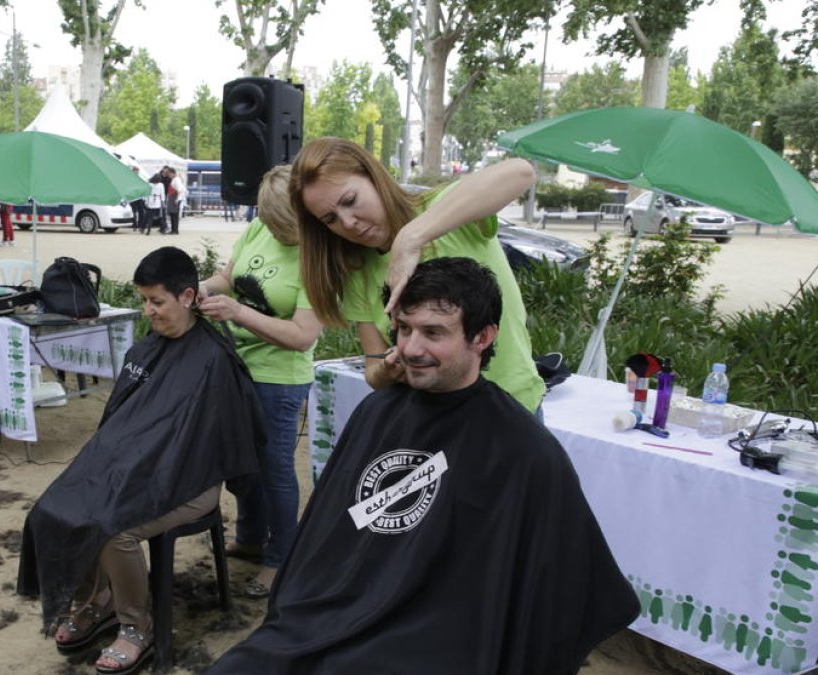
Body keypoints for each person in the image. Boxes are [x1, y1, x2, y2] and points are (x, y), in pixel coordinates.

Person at [207, 257, 639, 674]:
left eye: (434, 332)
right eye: (404, 329)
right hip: (333, 614)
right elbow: (327, 538)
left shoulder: (524, 449)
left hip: (437, 641)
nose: (411, 348)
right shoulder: (377, 412)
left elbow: (565, 589)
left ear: (483, 336)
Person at [19, 247, 263, 674]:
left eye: (157, 301)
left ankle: (137, 627)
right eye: (144, 300)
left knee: (114, 529)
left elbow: (210, 445)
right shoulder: (148, 350)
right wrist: (127, 468)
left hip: (192, 482)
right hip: (141, 471)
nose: (148, 311)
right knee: (58, 508)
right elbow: (122, 426)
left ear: (187, 297)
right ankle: (96, 601)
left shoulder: (213, 360)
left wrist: (144, 469)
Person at [291, 137, 545, 414]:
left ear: (374, 178)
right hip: (433, 418)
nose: (348, 222)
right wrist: (388, 369)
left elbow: (521, 172)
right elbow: (373, 372)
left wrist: (410, 238)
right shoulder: (359, 270)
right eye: (330, 219)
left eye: (350, 201)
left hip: (512, 408)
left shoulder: (444, 213)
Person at [198, 165, 320, 599]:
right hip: (238, 368)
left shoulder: (319, 257)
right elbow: (229, 278)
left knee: (274, 471)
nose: (273, 230)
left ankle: (281, 557)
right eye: (267, 220)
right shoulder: (259, 228)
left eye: (281, 223)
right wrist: (199, 288)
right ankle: (250, 537)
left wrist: (238, 312)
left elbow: (303, 336)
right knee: (242, 466)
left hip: (279, 379)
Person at [166, 167, 186, 234]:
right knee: (172, 214)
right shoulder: (174, 179)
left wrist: (177, 199)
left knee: (174, 215)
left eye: (169, 174)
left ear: (172, 173)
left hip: (175, 198)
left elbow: (179, 190)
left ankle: (175, 230)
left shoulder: (177, 180)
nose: (169, 175)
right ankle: (173, 229)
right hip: (173, 198)